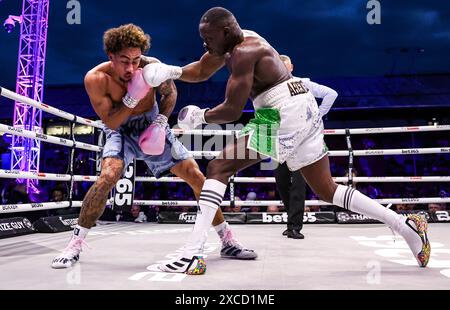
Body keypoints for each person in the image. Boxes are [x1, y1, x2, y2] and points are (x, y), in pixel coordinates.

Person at [143, 7, 430, 273]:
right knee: (327, 189)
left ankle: (193, 253)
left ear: (226, 32)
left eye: (208, 37)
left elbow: (232, 109)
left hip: (280, 113)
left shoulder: (244, 52)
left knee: (219, 167)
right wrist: (173, 71)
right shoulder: (241, 39)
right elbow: (203, 69)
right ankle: (406, 226)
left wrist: (200, 117)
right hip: (299, 107)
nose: (204, 43)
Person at [51, 23, 256, 269]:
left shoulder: (151, 65)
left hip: (151, 123)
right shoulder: (96, 79)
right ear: (111, 57)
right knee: (108, 176)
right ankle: (74, 244)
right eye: (124, 61)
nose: (131, 68)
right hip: (120, 130)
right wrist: (132, 96)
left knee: (196, 176)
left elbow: (170, 94)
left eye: (136, 60)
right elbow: (112, 121)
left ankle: (228, 240)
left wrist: (160, 121)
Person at [275, 54, 338, 240]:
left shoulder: (302, 83)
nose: (283, 70)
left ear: (291, 67)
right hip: (282, 142)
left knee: (298, 184)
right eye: (280, 67)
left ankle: (295, 226)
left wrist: (318, 115)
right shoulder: (274, 89)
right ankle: (291, 220)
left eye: (286, 67)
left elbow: (331, 94)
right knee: (281, 181)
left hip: (303, 143)